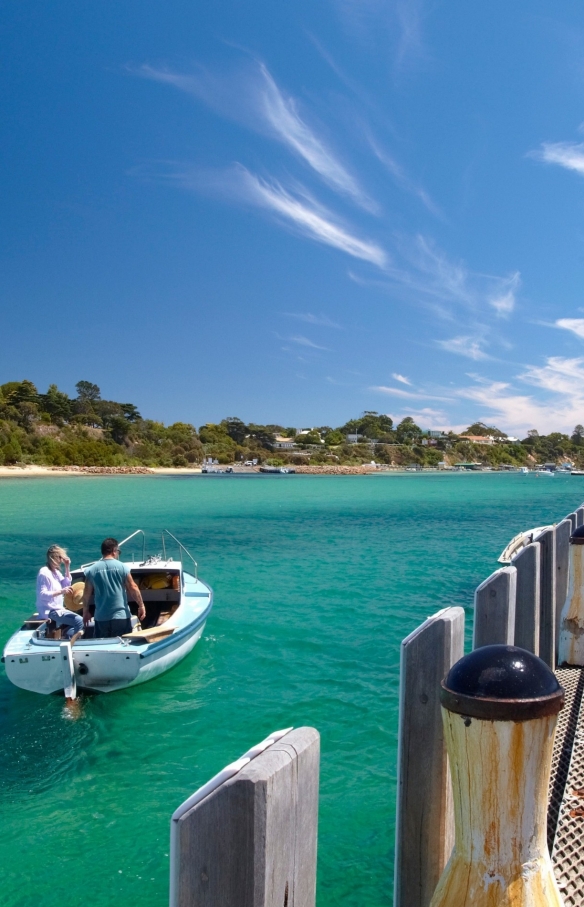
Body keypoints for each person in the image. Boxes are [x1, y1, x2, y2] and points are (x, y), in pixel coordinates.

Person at [82, 538, 146, 638]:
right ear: (113, 551)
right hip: (121, 616)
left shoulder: (91, 570)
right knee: (122, 645)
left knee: (103, 647)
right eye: (118, 551)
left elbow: (86, 594)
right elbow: (133, 587)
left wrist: (85, 612)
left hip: (101, 618)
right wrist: (141, 605)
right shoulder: (122, 567)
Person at [36, 545, 84, 639]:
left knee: (80, 620)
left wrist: (67, 567)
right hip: (50, 611)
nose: (62, 560)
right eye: (60, 558)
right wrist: (61, 591)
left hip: (58, 609)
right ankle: (71, 640)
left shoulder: (55, 572)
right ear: (54, 558)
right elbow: (42, 594)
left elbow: (66, 585)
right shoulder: (44, 573)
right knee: (80, 621)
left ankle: (68, 637)